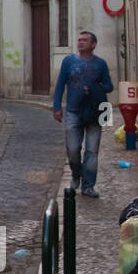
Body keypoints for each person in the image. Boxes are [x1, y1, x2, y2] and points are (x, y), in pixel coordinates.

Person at [52, 30, 115, 198]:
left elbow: (109, 86)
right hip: (73, 110)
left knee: (92, 151)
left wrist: (94, 88)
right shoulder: (69, 61)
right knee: (72, 149)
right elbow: (60, 85)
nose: (80, 42)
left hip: (96, 110)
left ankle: (88, 186)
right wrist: (56, 106)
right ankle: (75, 175)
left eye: (85, 40)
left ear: (93, 44)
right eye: (79, 40)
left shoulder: (100, 64)